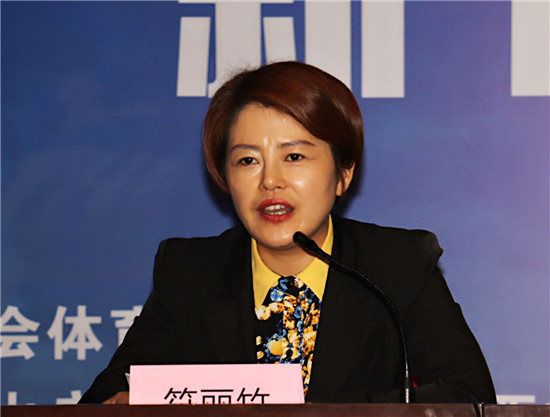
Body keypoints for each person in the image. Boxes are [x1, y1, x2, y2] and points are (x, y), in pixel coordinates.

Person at [79, 61, 495, 404]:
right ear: (225, 177)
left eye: (294, 156)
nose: (270, 181)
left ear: (343, 173)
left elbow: (470, 396)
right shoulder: (190, 274)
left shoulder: (396, 266)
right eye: (247, 161)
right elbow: (103, 401)